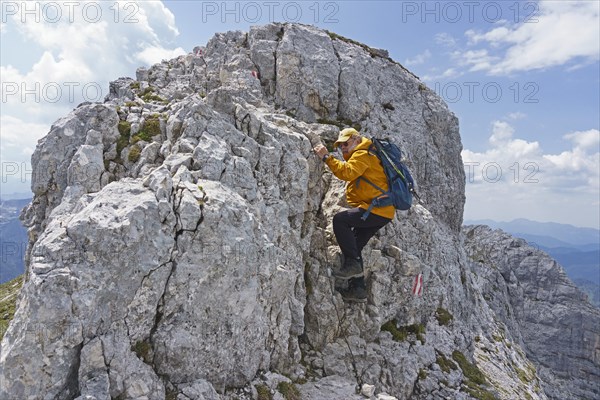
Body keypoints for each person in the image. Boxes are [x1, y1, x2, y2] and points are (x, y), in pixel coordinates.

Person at [313, 128, 394, 302]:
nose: (343, 148)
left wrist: (327, 157)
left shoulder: (362, 153)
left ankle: (353, 267)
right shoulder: (367, 153)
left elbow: (347, 173)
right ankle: (358, 290)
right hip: (381, 212)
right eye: (340, 145)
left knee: (340, 220)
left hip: (375, 210)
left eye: (346, 143)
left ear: (357, 139)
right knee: (354, 247)